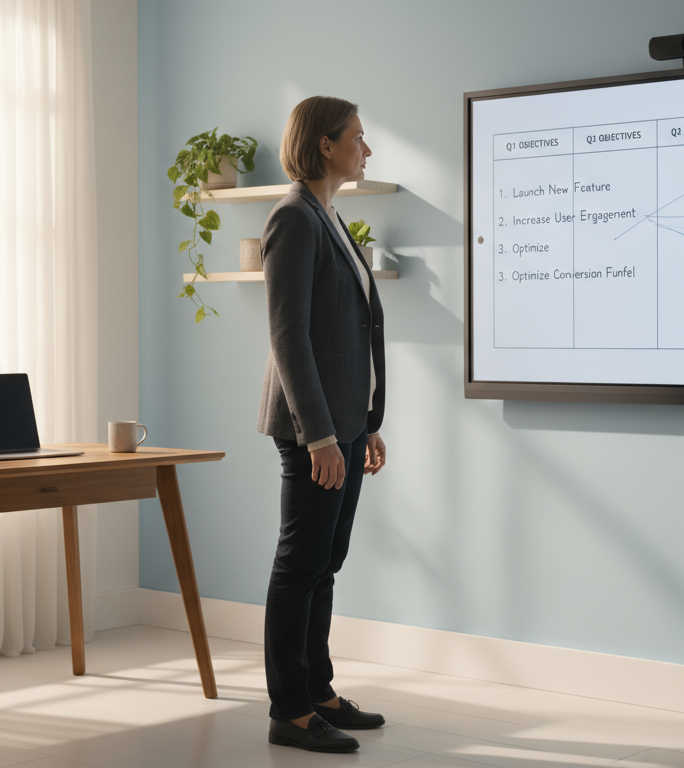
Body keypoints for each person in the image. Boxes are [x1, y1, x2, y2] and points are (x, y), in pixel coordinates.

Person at [257, 96, 388, 754]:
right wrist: (320, 435)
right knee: (300, 563)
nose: (367, 150)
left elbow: (348, 335)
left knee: (325, 563)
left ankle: (320, 691)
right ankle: (290, 710)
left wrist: (363, 423)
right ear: (326, 145)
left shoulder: (330, 218)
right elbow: (289, 339)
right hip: (312, 430)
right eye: (359, 138)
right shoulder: (293, 219)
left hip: (342, 425)